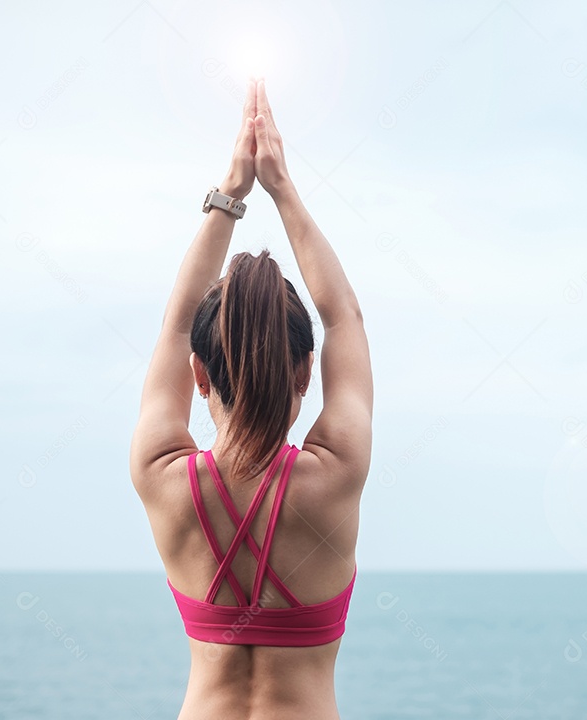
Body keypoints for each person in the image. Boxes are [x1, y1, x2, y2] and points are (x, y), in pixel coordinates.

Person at [129, 78, 373, 720]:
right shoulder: (336, 475)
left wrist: (229, 196)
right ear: (305, 372)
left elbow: (176, 325)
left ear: (199, 375)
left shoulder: (161, 477)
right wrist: (281, 187)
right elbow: (343, 317)